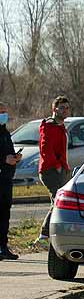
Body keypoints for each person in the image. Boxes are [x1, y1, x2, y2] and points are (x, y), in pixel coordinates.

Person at [37, 97, 71, 244]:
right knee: (58, 201)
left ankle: (52, 233)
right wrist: (56, 166)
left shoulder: (61, 126)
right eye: (62, 107)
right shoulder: (49, 126)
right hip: (50, 170)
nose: (65, 110)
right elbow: (45, 149)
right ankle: (44, 235)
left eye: (67, 108)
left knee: (61, 201)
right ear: (54, 109)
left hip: (61, 168)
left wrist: (64, 167)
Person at [0, 101, 20, 261]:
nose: (3, 115)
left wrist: (15, 158)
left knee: (5, 214)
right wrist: (3, 159)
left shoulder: (5, 133)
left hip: (6, 179)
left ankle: (3, 247)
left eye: (4, 112)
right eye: (1, 112)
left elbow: (9, 152)